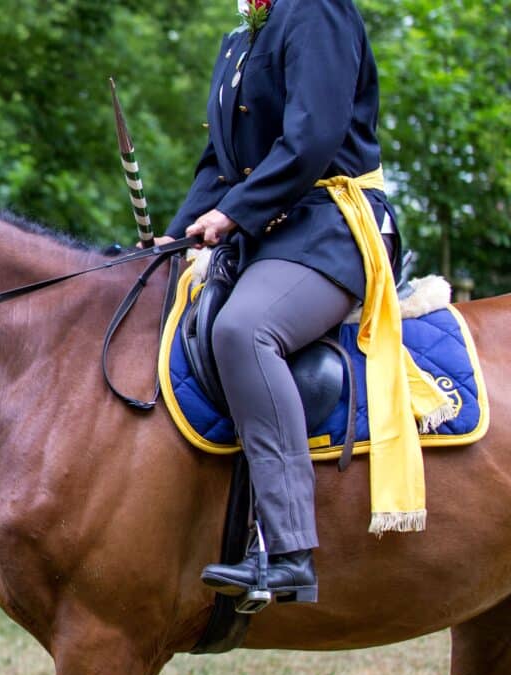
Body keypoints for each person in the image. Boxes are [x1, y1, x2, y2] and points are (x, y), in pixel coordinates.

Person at [155, 0, 404, 603]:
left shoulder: (316, 10)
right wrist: (175, 233)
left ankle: (290, 551)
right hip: (270, 234)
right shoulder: (242, 36)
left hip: (330, 229)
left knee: (244, 330)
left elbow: (312, 139)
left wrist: (235, 213)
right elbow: (221, 162)